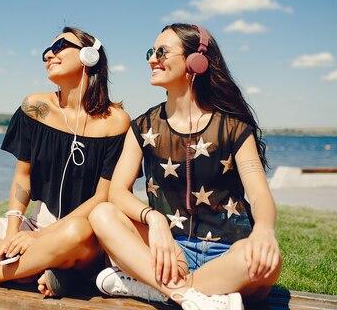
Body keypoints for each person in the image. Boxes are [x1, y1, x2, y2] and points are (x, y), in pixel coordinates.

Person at [0, 26, 130, 298]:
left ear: (89, 56)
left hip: (84, 232)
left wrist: (37, 239)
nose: (48, 55)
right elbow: (22, 178)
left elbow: (103, 197)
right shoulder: (35, 107)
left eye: (58, 47)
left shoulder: (115, 121)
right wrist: (13, 232)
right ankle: (37, 270)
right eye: (47, 50)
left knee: (74, 230)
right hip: (34, 225)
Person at [89, 23, 281, 310]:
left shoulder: (233, 127)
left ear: (196, 61)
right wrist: (154, 220)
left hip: (228, 254)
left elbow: (259, 193)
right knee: (102, 213)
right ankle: (191, 296)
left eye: (162, 52)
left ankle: (155, 289)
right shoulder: (142, 126)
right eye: (151, 52)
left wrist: (264, 230)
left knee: (270, 263)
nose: (153, 59)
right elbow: (117, 192)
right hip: (169, 251)